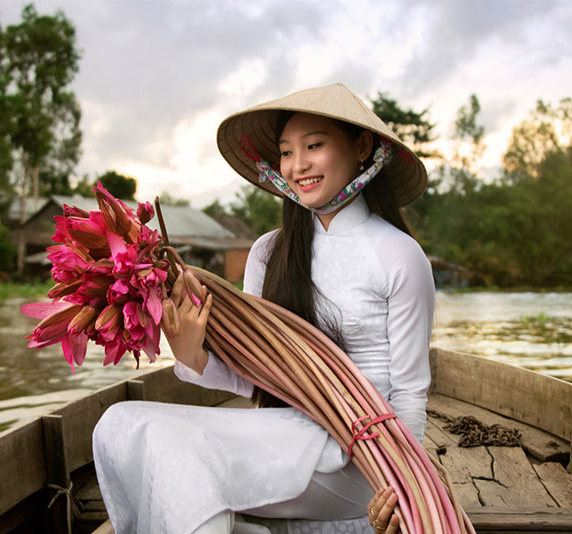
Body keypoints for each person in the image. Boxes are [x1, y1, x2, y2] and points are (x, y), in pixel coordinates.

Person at [92, 83, 435, 534]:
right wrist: (192, 354)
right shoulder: (269, 252)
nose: (298, 166)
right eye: (287, 153)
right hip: (281, 434)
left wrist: (406, 487)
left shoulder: (400, 255)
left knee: (177, 453)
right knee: (122, 423)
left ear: (361, 146)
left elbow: (410, 391)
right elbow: (256, 377)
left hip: (360, 459)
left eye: (314, 146)